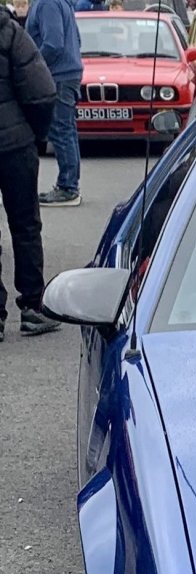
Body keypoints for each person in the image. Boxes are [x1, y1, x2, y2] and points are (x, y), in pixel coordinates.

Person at [0, 2, 59, 338]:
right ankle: (33, 308)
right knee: (24, 225)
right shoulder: (12, 34)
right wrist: (35, 134)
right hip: (15, 147)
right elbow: (41, 93)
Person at [25, 0, 81, 207]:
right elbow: (76, 39)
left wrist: (30, 63)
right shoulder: (61, 2)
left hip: (58, 75)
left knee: (61, 130)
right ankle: (69, 184)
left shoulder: (47, 3)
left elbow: (53, 44)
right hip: (68, 73)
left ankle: (68, 188)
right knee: (66, 130)